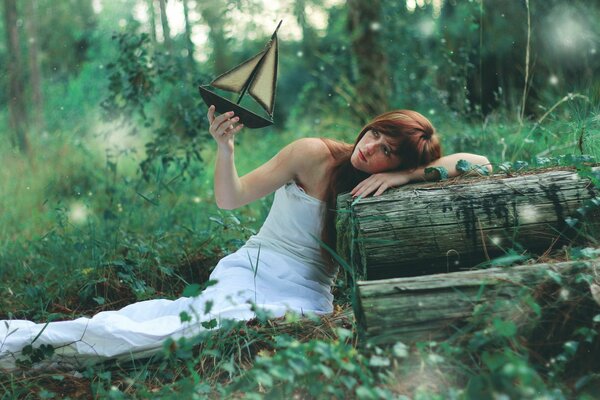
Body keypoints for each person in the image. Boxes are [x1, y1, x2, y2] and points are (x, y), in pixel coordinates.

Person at [0, 107, 490, 370]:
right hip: (256, 267)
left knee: (214, 324)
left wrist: (408, 178)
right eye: (373, 135)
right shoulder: (313, 154)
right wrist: (225, 147)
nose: (369, 149)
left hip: (305, 292)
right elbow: (230, 198)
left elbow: (482, 164)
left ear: (399, 163)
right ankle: (31, 342)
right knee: (192, 322)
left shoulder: (381, 187)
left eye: (386, 152)